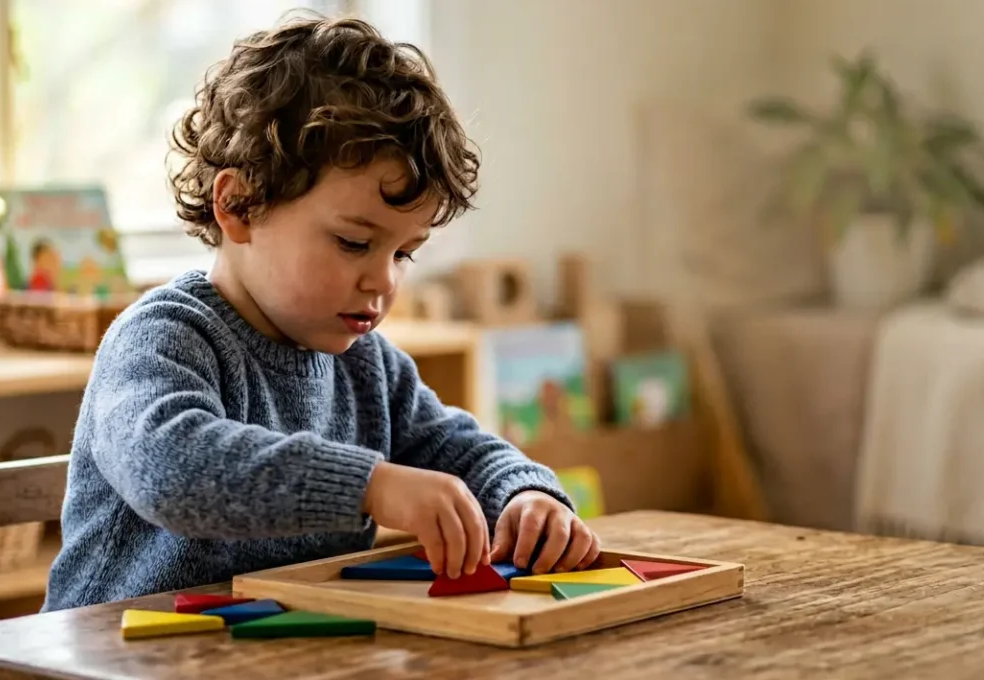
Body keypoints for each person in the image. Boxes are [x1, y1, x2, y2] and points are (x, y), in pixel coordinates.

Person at [42, 13, 599, 611]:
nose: (384, 279)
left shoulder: (368, 365)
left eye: (403, 253)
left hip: (272, 646)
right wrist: (370, 485)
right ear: (239, 206)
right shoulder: (162, 337)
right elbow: (169, 467)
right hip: (112, 646)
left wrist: (524, 495)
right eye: (354, 243)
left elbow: (456, 447)